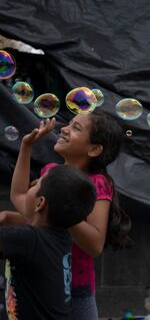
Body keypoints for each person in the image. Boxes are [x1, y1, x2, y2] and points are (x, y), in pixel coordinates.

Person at [9, 110, 131, 320]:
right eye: (70, 123)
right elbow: (21, 202)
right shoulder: (50, 172)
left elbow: (94, 245)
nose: (63, 129)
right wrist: (26, 147)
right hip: (38, 283)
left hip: (75, 291)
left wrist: (62, 207)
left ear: (94, 149)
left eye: (76, 128)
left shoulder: (97, 183)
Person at [1, 136, 96, 320]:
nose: (32, 184)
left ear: (40, 204)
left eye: (36, 184)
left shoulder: (29, 238)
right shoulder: (63, 236)